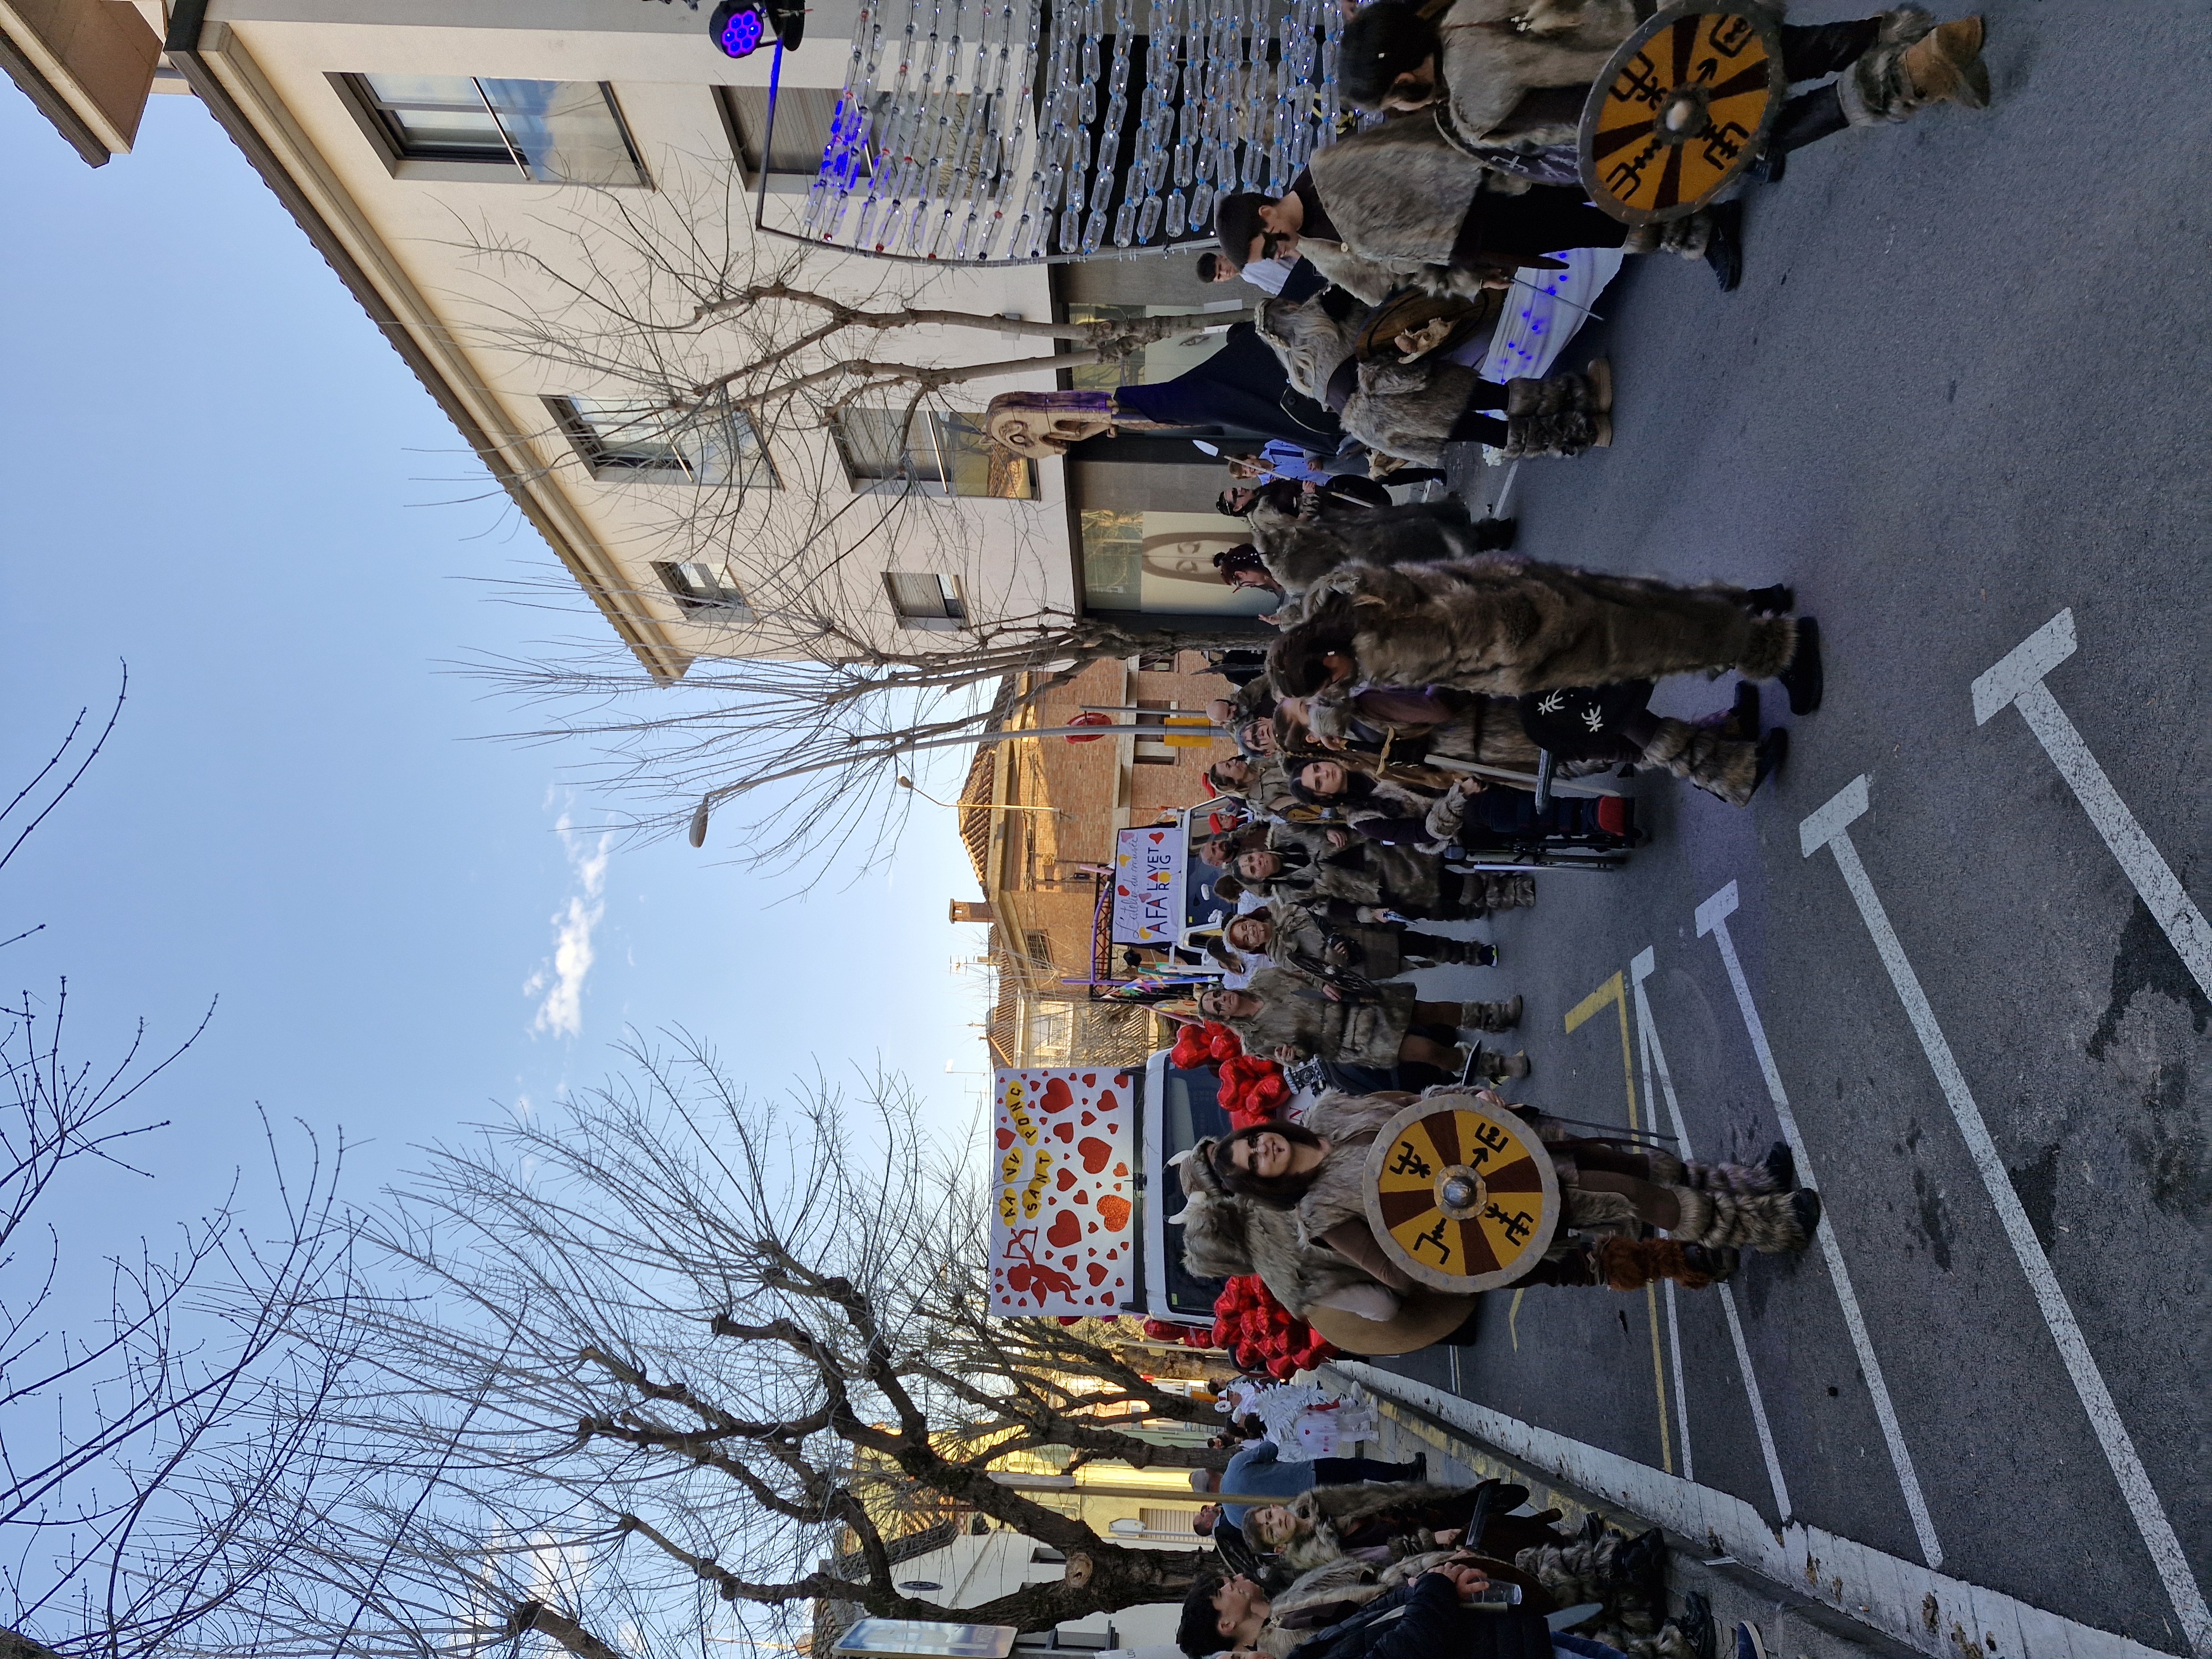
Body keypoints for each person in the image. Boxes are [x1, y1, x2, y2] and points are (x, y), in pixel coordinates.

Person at [1338, 1, 1992, 290]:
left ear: (1402, 80)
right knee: (1772, 54)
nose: (1401, 112)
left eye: (1393, 103)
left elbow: (1586, 126)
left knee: (1759, 138)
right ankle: (1890, 32)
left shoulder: (1469, 101)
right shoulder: (1464, 11)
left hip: (1661, 108)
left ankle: (1914, 72)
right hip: (1669, 31)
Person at [1267, 558, 1823, 716]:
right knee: (1651, 608)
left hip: (1553, 631)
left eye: (1323, 683)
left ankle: (1777, 650)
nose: (1328, 691)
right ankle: (1747, 618)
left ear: (1329, 658)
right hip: (1534, 592)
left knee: (1661, 639)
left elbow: (1474, 628)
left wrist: (1520, 665)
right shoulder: (1358, 605)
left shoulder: (1380, 648)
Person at [1192, 976, 1527, 1080]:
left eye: (1218, 995)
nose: (1223, 1001)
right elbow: (1299, 1058)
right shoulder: (1256, 1040)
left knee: (1434, 1012)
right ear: (1224, 1018)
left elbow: (1305, 972)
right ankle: (1495, 1066)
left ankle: (1496, 1017)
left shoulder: (1263, 980)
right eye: (1217, 1007)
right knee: (1428, 1051)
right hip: (1352, 1039)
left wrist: (1324, 981)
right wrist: (1292, 1056)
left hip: (1357, 1002)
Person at [1191, 1441, 1426, 1532]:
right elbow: (1271, 1448)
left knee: (1364, 1506)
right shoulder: (1236, 1465)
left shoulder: (1233, 1518)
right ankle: (1406, 1473)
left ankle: (1412, 1509)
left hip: (1308, 1512)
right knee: (1358, 1468)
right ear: (1211, 1473)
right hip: (1310, 1475)